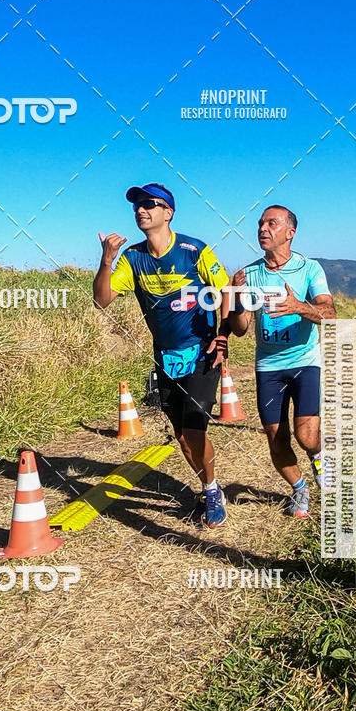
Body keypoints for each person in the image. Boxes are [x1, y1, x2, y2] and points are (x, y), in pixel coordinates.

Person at [93, 182, 231, 528]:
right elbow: (102, 299)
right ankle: (205, 484)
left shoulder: (195, 250)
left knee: (195, 431)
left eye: (150, 204)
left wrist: (223, 335)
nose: (141, 209)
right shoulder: (133, 257)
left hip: (202, 354)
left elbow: (226, 291)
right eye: (137, 205)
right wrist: (107, 260)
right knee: (183, 438)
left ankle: (213, 491)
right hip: (166, 358)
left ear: (168, 212)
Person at [230, 205, 336, 518]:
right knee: (276, 439)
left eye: (271, 223)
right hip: (268, 367)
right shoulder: (248, 273)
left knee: (305, 436)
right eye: (260, 223)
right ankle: (300, 489)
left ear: (290, 232)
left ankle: (318, 458)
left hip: (305, 361)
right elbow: (240, 330)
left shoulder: (310, 269)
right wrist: (237, 299)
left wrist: (298, 306)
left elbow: (330, 315)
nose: (263, 228)